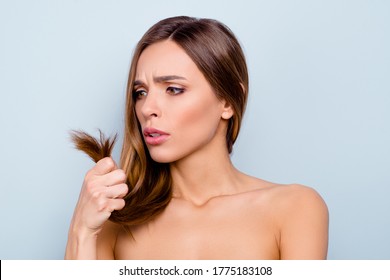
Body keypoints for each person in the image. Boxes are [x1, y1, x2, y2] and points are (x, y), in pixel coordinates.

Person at [65, 16, 328, 260]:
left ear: (227, 101)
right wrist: (82, 230)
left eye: (173, 89)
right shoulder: (115, 220)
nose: (147, 109)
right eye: (140, 92)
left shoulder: (295, 209)